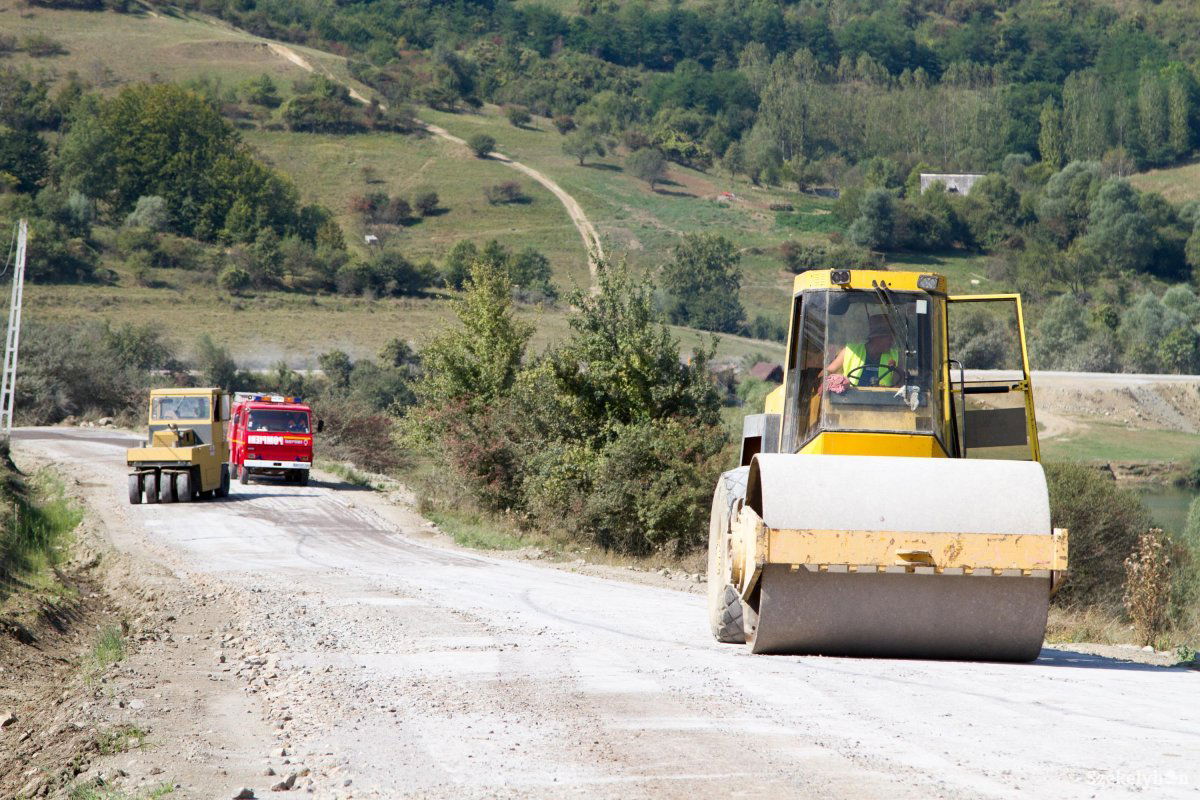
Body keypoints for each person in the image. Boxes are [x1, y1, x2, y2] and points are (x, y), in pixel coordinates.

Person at [823, 314, 900, 394]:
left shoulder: (895, 356)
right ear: (876, 338)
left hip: (884, 403)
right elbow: (827, 372)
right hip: (849, 402)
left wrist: (896, 372)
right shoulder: (850, 351)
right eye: (889, 337)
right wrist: (833, 380)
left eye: (892, 337)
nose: (892, 341)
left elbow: (901, 384)